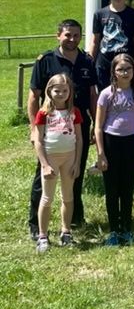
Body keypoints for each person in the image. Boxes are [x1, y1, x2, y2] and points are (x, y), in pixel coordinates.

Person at [27, 19, 96, 239]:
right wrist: (33, 128)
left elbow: (93, 94)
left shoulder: (86, 60)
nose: (72, 39)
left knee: (75, 170)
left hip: (78, 124)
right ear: (58, 35)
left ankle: (74, 219)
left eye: (76, 35)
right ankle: (35, 224)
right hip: (50, 127)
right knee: (44, 175)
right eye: (67, 35)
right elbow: (33, 96)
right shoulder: (46, 60)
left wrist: (95, 124)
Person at [94, 54, 134, 246]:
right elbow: (98, 126)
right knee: (112, 189)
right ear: (114, 72)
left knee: (127, 188)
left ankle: (126, 229)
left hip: (131, 142)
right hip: (111, 143)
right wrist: (101, 154)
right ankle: (114, 231)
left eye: (128, 69)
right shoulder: (106, 94)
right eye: (120, 69)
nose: (125, 73)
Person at [32, 74, 83, 252]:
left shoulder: (74, 112)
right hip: (51, 158)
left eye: (65, 90)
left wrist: (77, 162)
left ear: (70, 92)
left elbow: (79, 138)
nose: (61, 93)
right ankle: (43, 236)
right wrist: (45, 164)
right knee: (47, 197)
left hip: (69, 158)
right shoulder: (43, 113)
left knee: (68, 197)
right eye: (57, 90)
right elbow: (38, 141)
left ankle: (66, 231)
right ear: (49, 91)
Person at [90, 0, 134, 90]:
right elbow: (95, 41)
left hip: (126, 65)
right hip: (104, 64)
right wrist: (90, 64)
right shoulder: (99, 14)